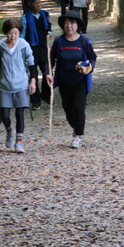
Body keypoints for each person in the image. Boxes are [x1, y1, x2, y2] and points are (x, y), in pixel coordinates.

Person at [46, 10, 97, 149]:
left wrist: (90, 67)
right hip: (64, 81)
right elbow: (50, 61)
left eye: (72, 23)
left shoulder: (84, 41)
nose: (69, 26)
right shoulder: (59, 41)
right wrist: (48, 73)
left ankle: (77, 136)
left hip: (80, 80)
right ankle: (76, 128)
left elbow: (93, 57)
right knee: (68, 110)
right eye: (66, 23)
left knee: (79, 109)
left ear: (78, 25)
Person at [0, 18, 38, 154]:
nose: (13, 36)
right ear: (6, 33)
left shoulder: (24, 45)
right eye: (10, 33)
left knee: (20, 113)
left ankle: (19, 143)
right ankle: (10, 130)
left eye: (16, 33)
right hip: (5, 85)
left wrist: (33, 81)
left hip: (21, 84)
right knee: (4, 114)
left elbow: (32, 65)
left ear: (19, 33)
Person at [20, 0, 52, 110]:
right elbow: (22, 36)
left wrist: (49, 33)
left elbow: (48, 27)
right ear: (29, 4)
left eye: (39, 3)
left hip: (44, 47)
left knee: (47, 72)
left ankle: (46, 95)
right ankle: (35, 100)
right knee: (33, 74)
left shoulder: (45, 14)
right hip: (31, 49)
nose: (38, 6)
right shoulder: (25, 18)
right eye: (35, 3)